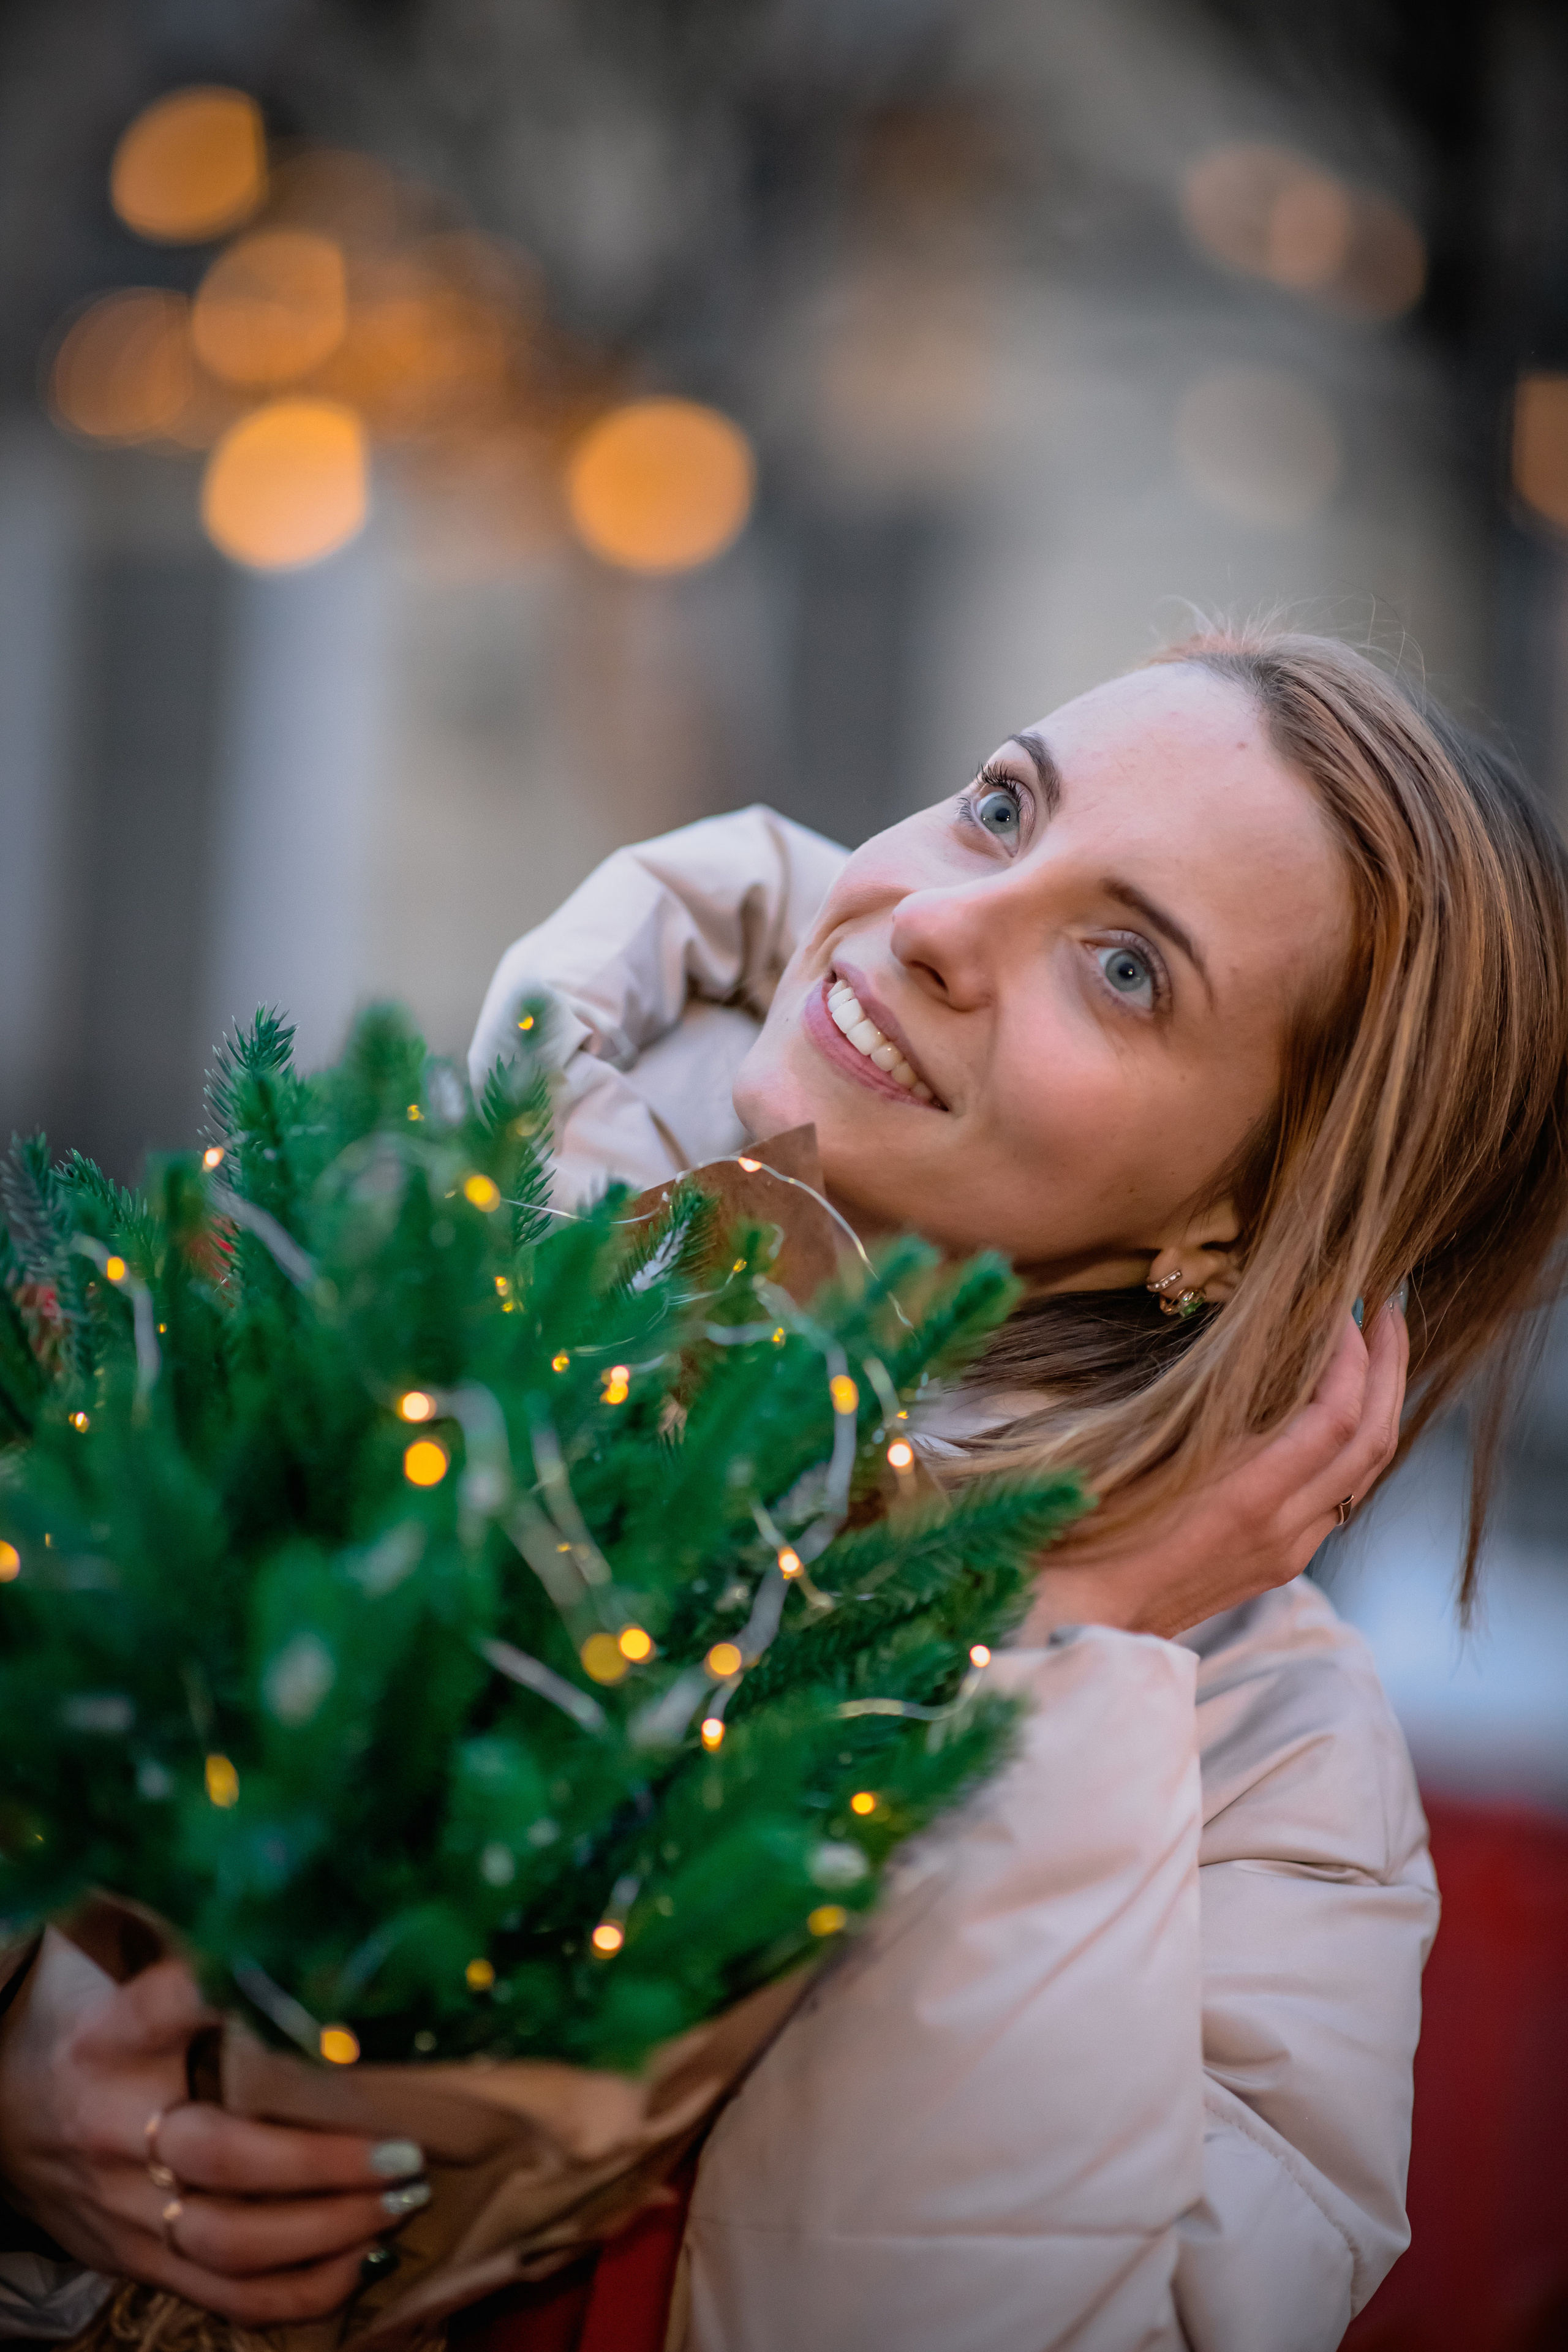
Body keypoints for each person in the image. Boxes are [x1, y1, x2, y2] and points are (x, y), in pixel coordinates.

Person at [1, 629, 1562, 2352]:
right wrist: (21, 2080)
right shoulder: (376, 1238)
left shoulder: (1271, 1782)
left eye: (1125, 969)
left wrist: (1050, 1649)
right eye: (998, 807)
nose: (944, 924)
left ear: (1239, 1222)